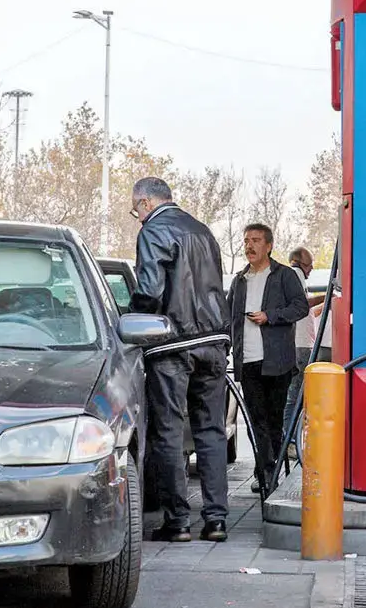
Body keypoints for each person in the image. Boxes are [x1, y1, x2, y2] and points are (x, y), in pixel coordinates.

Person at [130, 176, 232, 544]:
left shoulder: (153, 231)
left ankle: (178, 522)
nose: (137, 217)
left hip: (172, 344)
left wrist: (133, 317)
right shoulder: (204, 232)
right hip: (214, 342)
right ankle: (217, 520)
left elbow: (149, 290)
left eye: (135, 209)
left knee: (168, 431)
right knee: (211, 431)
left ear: (145, 203)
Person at [226, 224, 309, 495]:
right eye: (247, 240)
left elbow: (300, 307)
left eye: (256, 241)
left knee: (273, 420)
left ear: (269, 245)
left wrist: (269, 316)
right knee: (254, 420)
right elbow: (228, 317)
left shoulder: (283, 275)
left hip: (277, 361)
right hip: (247, 362)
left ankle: (270, 468)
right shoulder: (239, 280)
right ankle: (266, 471)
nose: (250, 246)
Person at [281, 246, 323, 457]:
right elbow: (302, 305)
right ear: (297, 262)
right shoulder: (295, 274)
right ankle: (289, 441)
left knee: (296, 395)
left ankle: (290, 439)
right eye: (309, 264)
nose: (311, 269)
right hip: (300, 346)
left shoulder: (296, 278)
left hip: (299, 343)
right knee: (296, 396)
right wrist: (326, 296)